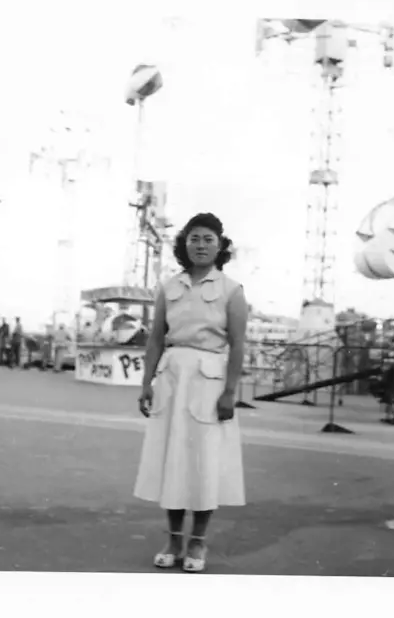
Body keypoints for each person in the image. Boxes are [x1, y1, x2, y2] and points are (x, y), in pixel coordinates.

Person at [133, 213, 249, 573]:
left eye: (208, 239)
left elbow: (238, 345)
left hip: (209, 383)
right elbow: (155, 339)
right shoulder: (168, 287)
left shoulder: (232, 290)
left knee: (203, 463)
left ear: (220, 246)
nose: (201, 245)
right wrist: (145, 382)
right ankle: (173, 539)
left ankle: (198, 542)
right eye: (195, 238)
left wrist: (230, 391)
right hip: (172, 380)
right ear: (184, 244)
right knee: (173, 460)